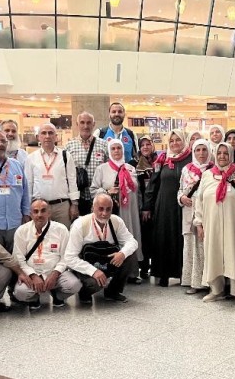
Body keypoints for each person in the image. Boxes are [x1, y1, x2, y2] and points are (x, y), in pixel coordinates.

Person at [194, 142, 235, 306]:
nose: (222, 156)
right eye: (219, 153)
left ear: (231, 155)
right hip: (211, 224)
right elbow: (199, 201)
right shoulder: (207, 175)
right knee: (213, 254)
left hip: (234, 224)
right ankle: (216, 290)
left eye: (226, 153)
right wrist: (199, 224)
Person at [63, 193, 139, 303]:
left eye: (108, 209)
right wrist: (93, 271)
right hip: (86, 265)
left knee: (130, 255)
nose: (104, 213)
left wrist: (122, 253)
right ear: (92, 208)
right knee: (94, 284)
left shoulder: (116, 221)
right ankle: (84, 292)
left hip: (107, 261)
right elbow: (69, 258)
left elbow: (132, 242)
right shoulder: (80, 224)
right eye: (101, 209)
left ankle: (113, 292)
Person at [90, 138, 145, 282]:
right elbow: (93, 191)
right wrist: (107, 192)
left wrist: (139, 208)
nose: (116, 151)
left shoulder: (131, 168)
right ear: (109, 151)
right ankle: (113, 274)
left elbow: (137, 191)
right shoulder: (102, 169)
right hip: (111, 212)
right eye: (113, 148)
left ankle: (132, 273)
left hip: (130, 212)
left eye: (119, 148)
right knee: (112, 239)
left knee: (130, 239)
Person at [13, 198, 82, 308]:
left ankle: (57, 296)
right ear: (30, 214)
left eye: (43, 210)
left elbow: (66, 256)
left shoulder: (61, 229)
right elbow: (18, 259)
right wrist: (33, 275)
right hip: (32, 273)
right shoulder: (21, 231)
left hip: (55, 272)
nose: (39, 215)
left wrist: (55, 273)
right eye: (35, 211)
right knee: (20, 293)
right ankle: (34, 299)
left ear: (49, 213)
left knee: (74, 285)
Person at [144, 128, 191, 286]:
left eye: (178, 140)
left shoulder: (191, 159)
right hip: (164, 206)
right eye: (171, 141)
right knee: (164, 239)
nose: (175, 143)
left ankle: (182, 273)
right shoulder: (162, 159)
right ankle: (162, 273)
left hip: (183, 205)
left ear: (184, 140)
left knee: (181, 239)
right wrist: (147, 206)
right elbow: (153, 184)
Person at [26, 123, 79, 227]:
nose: (47, 136)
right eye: (44, 133)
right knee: (41, 238)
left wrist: (74, 204)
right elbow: (29, 183)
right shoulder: (31, 158)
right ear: (38, 137)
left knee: (63, 238)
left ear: (56, 137)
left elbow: (72, 180)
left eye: (50, 133)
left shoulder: (65, 156)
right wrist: (28, 208)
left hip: (62, 207)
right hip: (39, 208)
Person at [178, 139, 213, 295]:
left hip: (208, 213)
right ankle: (193, 282)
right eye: (197, 150)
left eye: (204, 150)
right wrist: (182, 198)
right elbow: (180, 190)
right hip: (189, 212)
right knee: (191, 247)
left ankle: (209, 282)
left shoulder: (213, 169)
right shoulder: (186, 169)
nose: (201, 153)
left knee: (207, 247)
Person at [63, 111, 109, 216]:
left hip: (98, 197)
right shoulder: (69, 146)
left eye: (89, 123)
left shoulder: (104, 145)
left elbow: (109, 170)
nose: (85, 126)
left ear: (93, 124)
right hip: (78, 198)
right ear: (77, 124)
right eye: (82, 122)